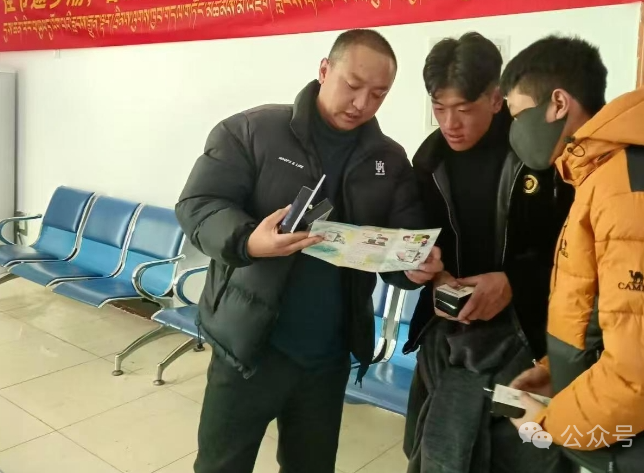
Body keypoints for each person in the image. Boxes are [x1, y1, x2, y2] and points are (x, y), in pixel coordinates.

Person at [175, 29, 444, 473]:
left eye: (378, 94)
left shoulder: (388, 160)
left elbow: (402, 240)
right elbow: (198, 205)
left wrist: (413, 267)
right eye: (352, 85)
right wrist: (249, 240)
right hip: (248, 348)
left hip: (327, 357)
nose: (362, 103)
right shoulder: (252, 131)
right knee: (222, 466)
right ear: (324, 70)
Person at [501, 36, 644, 473]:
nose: (514, 131)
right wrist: (560, 369)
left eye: (517, 115)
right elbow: (613, 316)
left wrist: (551, 423)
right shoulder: (604, 178)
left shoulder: (633, 191)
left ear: (558, 103)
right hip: (631, 444)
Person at [402, 33, 572, 473]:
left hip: (529, 340)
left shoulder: (540, 159)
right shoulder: (429, 161)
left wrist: (514, 283)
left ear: (496, 99)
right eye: (439, 108)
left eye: (463, 109)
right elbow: (414, 243)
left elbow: (576, 251)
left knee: (523, 456)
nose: (449, 123)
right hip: (448, 340)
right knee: (436, 450)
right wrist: (428, 272)